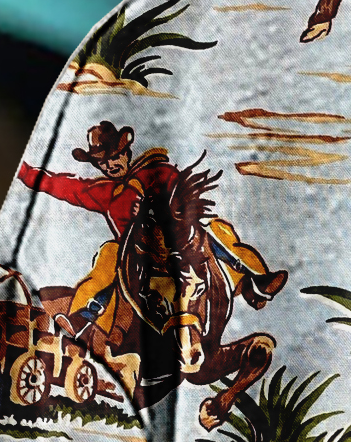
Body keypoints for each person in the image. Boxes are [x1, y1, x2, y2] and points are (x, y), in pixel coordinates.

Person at [17, 119, 284, 361]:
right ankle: (83, 316)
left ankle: (256, 280)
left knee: (217, 229)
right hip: (135, 254)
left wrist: (155, 205)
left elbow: (180, 190)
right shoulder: (105, 192)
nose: (110, 165)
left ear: (126, 153)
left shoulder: (156, 171)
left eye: (114, 157)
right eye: (103, 162)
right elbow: (63, 186)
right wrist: (23, 171)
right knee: (108, 255)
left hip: (177, 241)